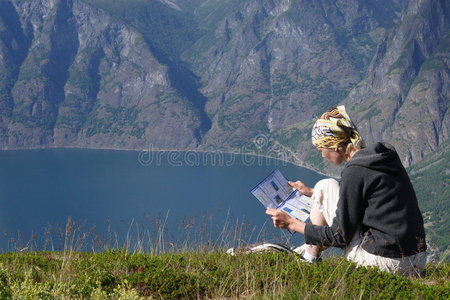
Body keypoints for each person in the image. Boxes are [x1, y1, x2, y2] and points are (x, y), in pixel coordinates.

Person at [266, 106, 427, 276]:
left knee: (326, 190)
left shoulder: (355, 171)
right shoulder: (382, 157)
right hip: (417, 258)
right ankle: (309, 253)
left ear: (334, 146)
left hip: (388, 264)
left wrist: (292, 223)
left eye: (321, 149)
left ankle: (310, 257)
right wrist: (313, 192)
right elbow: (368, 197)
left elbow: (340, 236)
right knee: (324, 186)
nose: (322, 155)